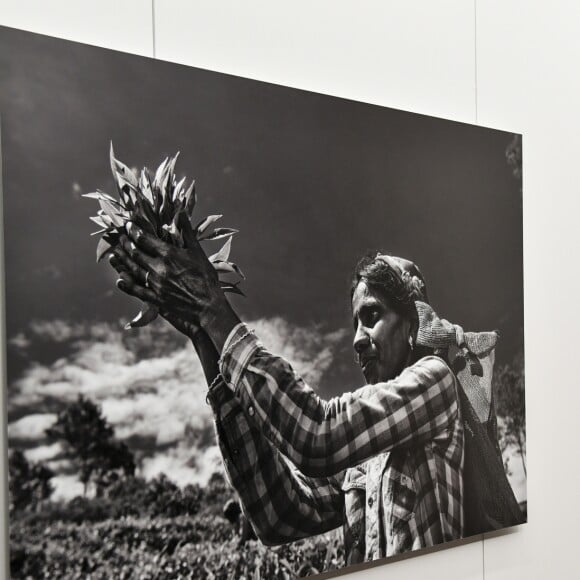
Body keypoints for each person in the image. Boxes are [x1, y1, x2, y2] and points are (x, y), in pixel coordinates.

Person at [108, 217, 510, 564]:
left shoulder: (436, 383)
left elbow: (318, 435)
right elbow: (278, 515)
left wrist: (213, 308)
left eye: (371, 316)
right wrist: (203, 337)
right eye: (354, 323)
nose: (357, 339)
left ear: (410, 326)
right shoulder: (362, 462)